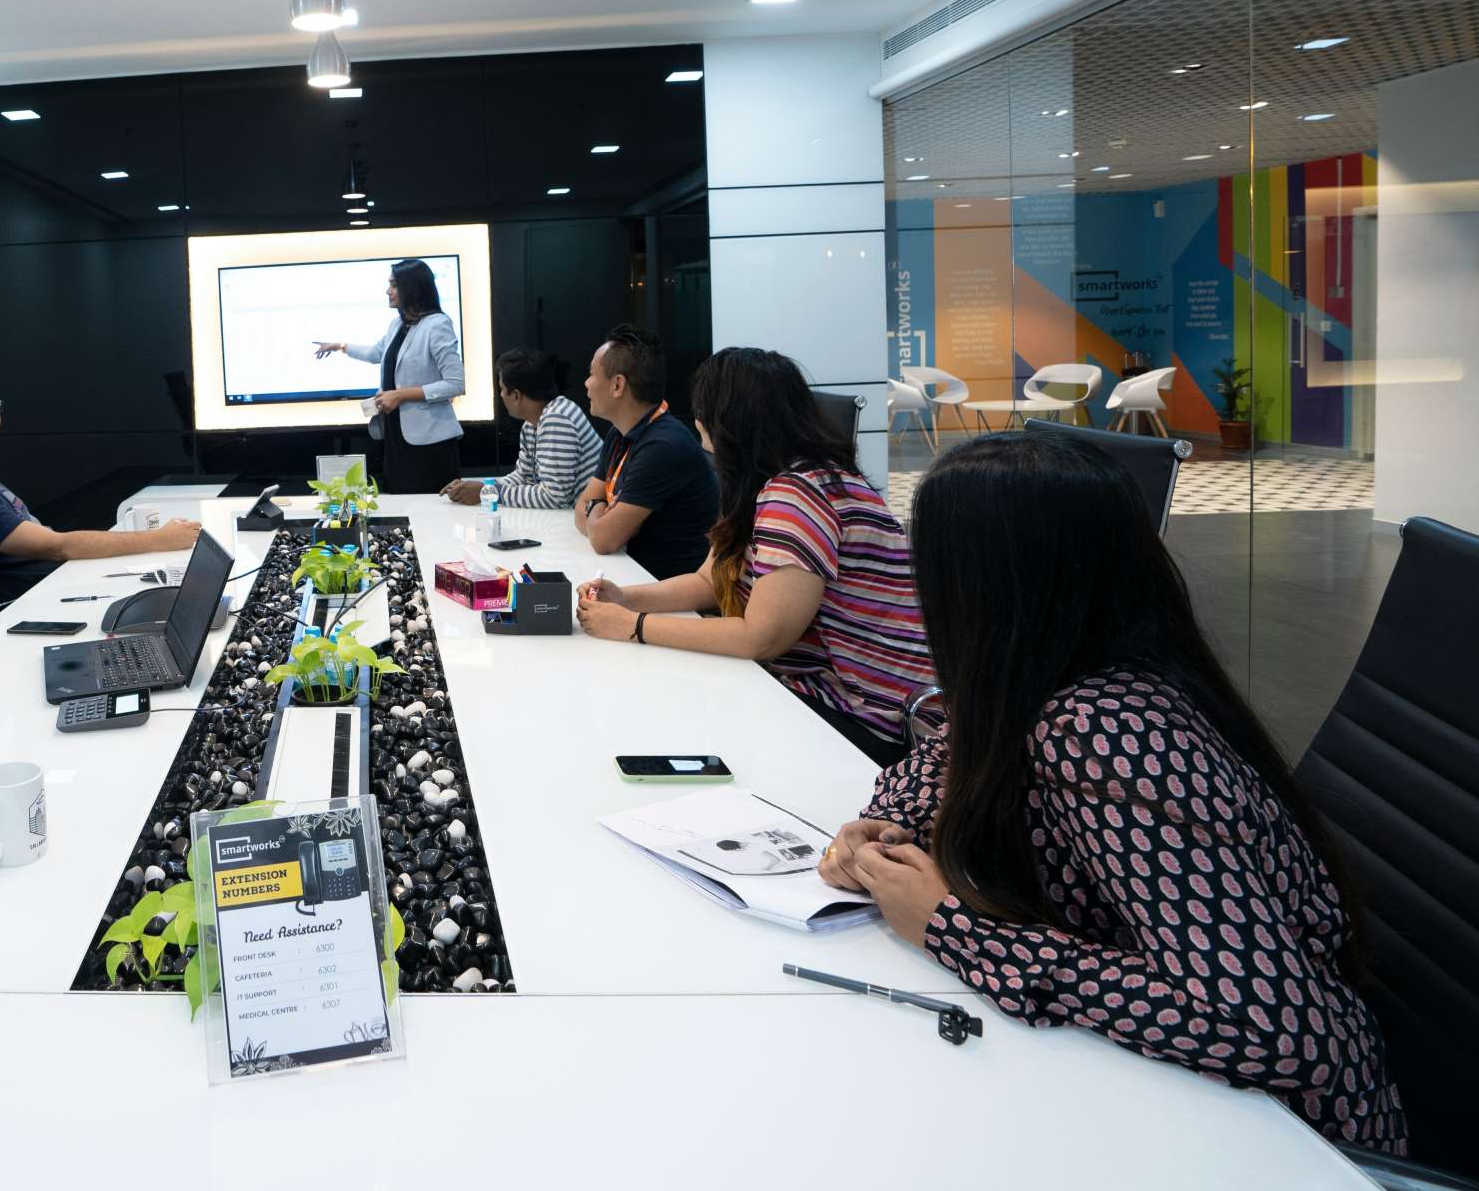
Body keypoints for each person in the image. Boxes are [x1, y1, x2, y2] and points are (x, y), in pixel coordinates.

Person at [815, 433, 1404, 1153]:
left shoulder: (1104, 731)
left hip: (1285, 1142)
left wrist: (956, 930)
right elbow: (943, 759)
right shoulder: (1033, 674)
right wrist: (879, 827)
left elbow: (1274, 1030)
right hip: (1157, 1092)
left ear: (987, 589)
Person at [575, 348, 933, 764]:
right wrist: (626, 599)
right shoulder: (766, 483)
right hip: (820, 689)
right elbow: (709, 582)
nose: (696, 422)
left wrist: (634, 626)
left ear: (727, 422)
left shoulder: (797, 494)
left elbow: (761, 636)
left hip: (868, 714)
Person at [0, 373, 202, 606]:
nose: (0, 413)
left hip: (59, 583)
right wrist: (160, 539)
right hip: (45, 600)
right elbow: (59, 546)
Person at [571, 323, 716, 579]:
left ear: (617, 385)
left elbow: (604, 540)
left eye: (592, 374)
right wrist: (598, 511)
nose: (586, 384)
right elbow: (581, 508)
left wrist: (596, 510)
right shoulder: (620, 433)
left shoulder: (664, 446)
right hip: (633, 573)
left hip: (670, 592)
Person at [310, 258, 466, 493]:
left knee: (430, 506)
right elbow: (375, 353)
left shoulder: (437, 325)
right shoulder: (398, 325)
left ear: (411, 287)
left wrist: (401, 395)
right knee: (402, 499)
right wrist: (340, 346)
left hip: (429, 440)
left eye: (393, 285)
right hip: (396, 433)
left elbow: (455, 384)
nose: (387, 291)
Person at [440, 347, 600, 508]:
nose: (501, 395)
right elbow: (524, 477)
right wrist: (478, 487)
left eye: (502, 389)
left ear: (516, 395)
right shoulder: (532, 423)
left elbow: (555, 498)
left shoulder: (557, 419)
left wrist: (488, 492)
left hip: (580, 523)